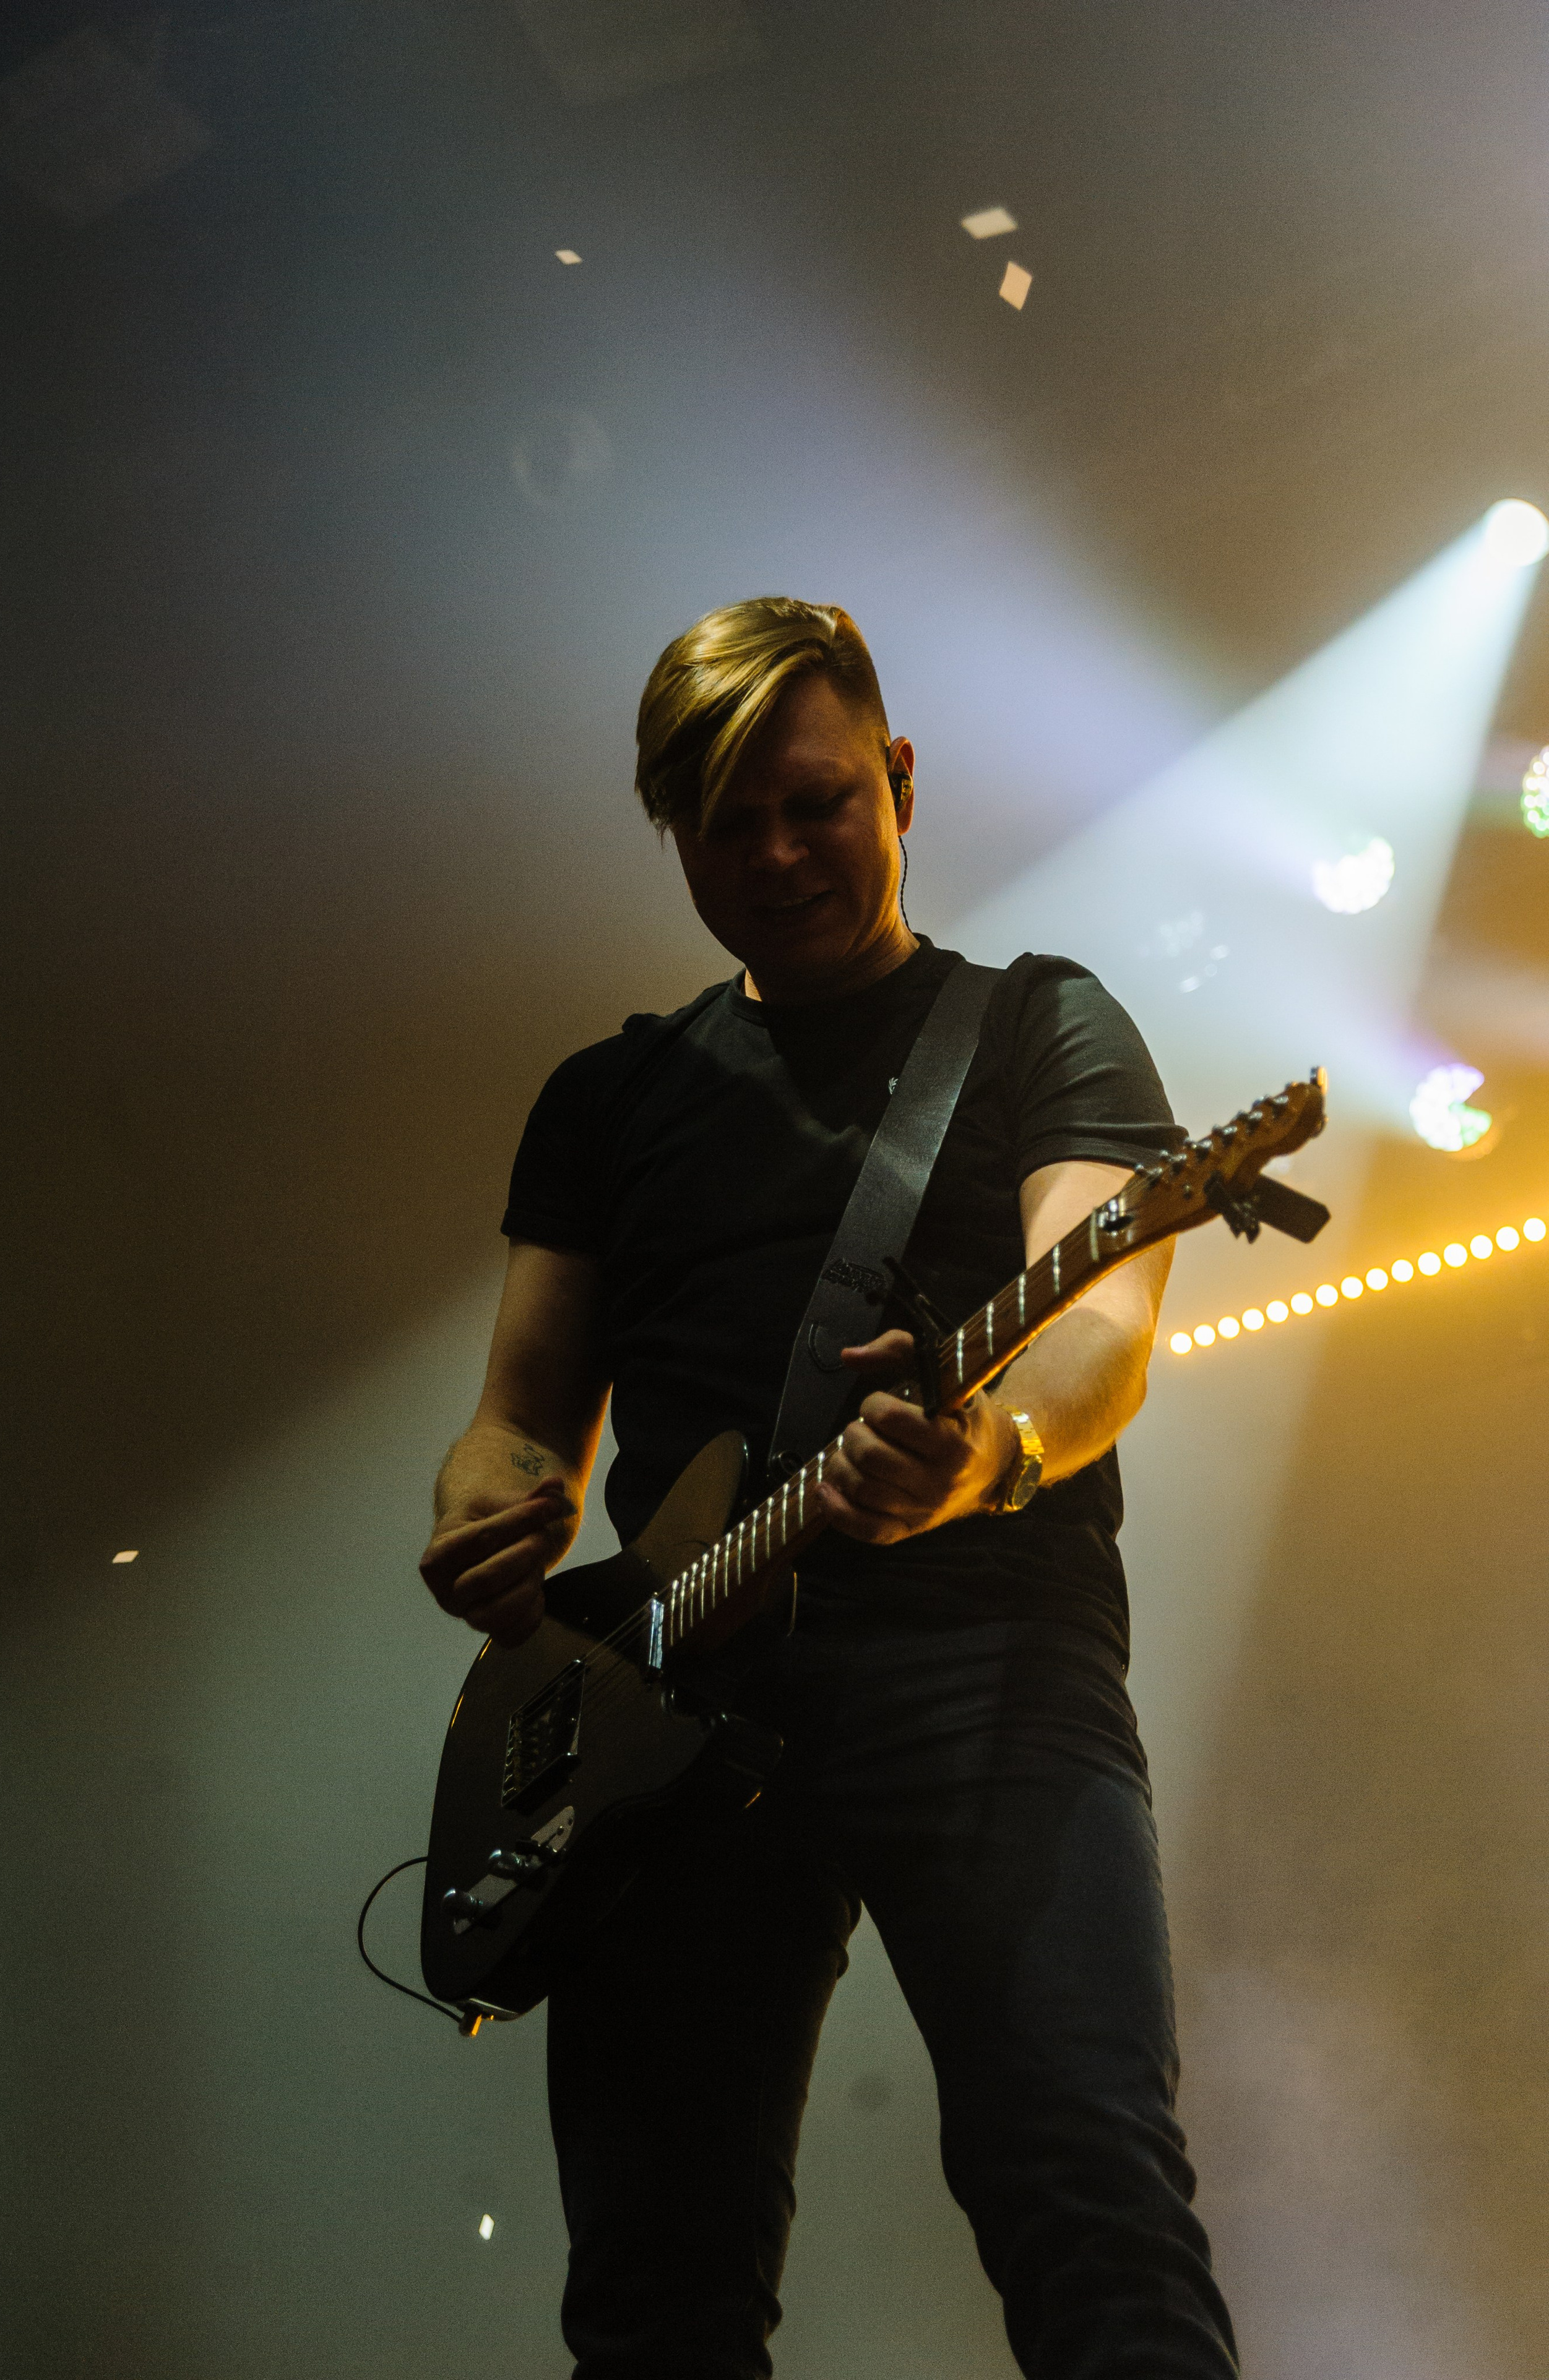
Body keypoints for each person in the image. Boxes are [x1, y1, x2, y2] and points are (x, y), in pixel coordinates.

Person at [419, 598, 1239, 2379]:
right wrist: (486, 1503)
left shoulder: (1041, 1032)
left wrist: (987, 1455)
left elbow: (1099, 1337)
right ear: (676, 834)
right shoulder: (610, 1097)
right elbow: (518, 1416)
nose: (782, 852)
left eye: (820, 803)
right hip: (671, 1723)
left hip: (986, 1671)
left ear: (901, 779)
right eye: (732, 823)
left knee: (1088, 2191)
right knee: (656, 2285)